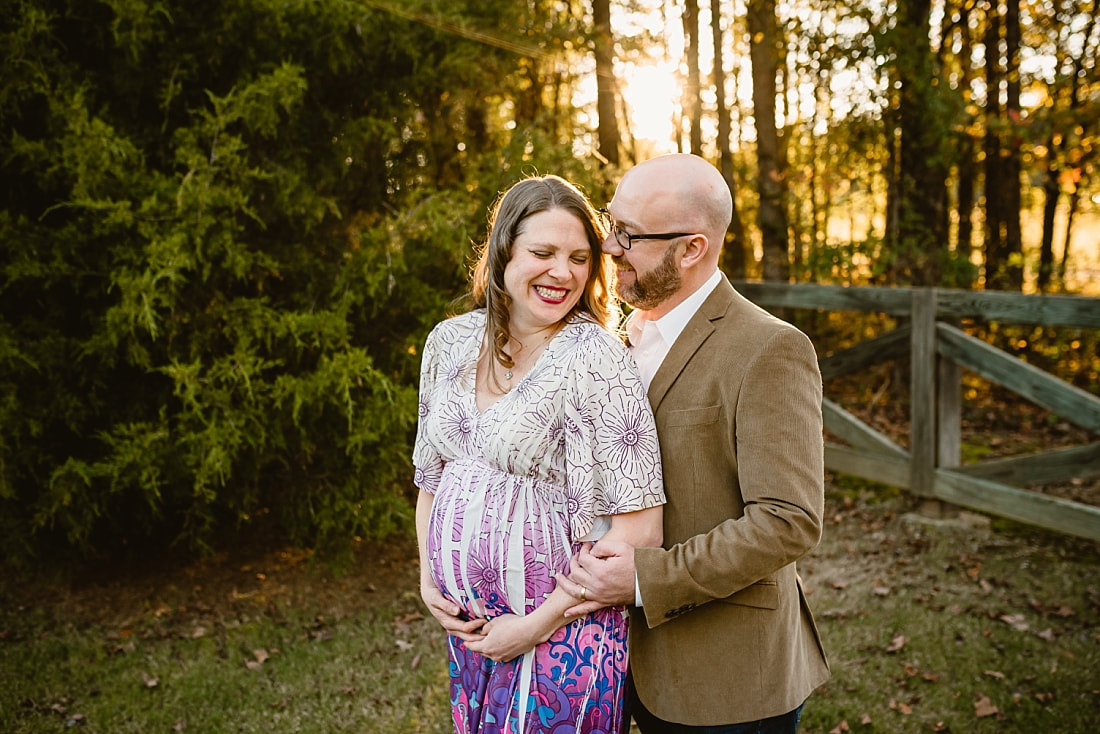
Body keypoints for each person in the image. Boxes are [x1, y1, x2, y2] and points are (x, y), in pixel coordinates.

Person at [557, 154, 830, 733]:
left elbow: (787, 521)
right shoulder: (616, 339)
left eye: (629, 235)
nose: (609, 247)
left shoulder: (768, 350)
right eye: (612, 224)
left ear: (691, 249)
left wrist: (641, 579)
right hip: (621, 665)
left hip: (727, 678)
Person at [412, 174, 666, 734]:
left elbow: (640, 528)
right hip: (473, 630)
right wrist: (430, 578)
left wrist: (535, 624)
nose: (564, 272)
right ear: (504, 252)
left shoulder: (596, 356)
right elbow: (432, 478)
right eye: (543, 252)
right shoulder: (449, 342)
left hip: (562, 633)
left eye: (579, 257)